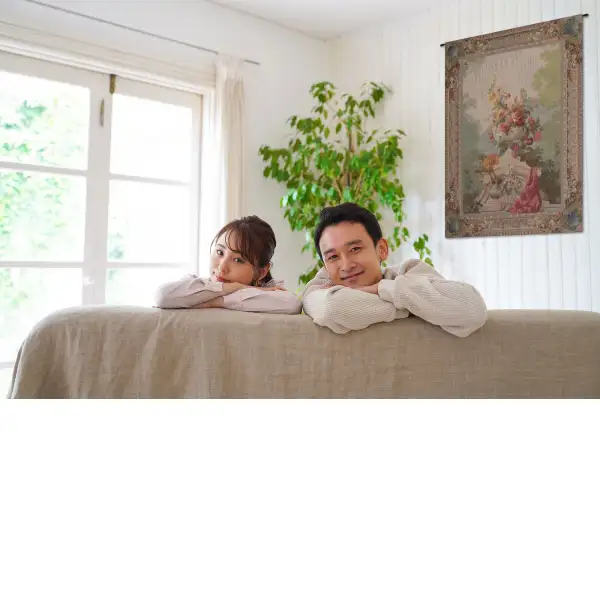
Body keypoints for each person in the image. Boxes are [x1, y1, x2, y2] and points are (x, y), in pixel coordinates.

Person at [302, 203, 487, 337]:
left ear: (382, 249)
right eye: (333, 257)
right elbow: (334, 309)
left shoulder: (409, 271)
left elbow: (472, 309)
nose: (346, 265)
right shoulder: (318, 288)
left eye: (355, 249)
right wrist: (412, 307)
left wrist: (380, 288)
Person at [155, 216, 302, 314]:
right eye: (220, 252)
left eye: (238, 260)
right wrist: (238, 287)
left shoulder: (272, 294)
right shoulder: (196, 285)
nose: (222, 267)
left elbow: (292, 304)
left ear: (262, 272)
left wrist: (217, 301)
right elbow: (162, 296)